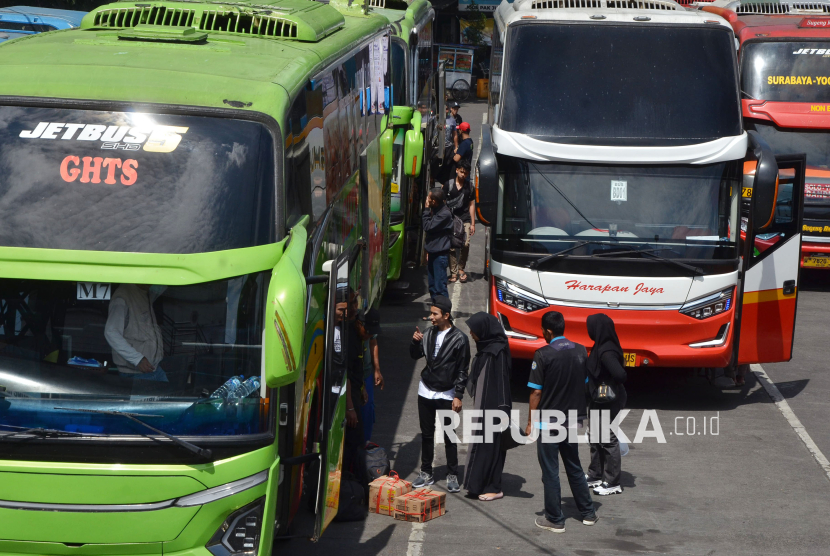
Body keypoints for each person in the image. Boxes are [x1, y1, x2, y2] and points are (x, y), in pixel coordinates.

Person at [527, 311, 597, 532]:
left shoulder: (543, 354)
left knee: (550, 470)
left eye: (542, 331)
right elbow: (584, 383)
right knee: (574, 465)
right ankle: (588, 513)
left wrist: (531, 421)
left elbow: (536, 394)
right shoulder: (579, 351)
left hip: (549, 422)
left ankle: (555, 519)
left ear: (548, 331)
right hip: (572, 420)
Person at [410, 295, 470, 493]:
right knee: (427, 435)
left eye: (435, 314)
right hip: (425, 391)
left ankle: (452, 473)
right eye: (431, 313)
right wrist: (414, 342)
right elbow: (415, 355)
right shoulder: (427, 333)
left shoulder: (460, 339)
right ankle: (426, 472)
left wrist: (458, 395)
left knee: (449, 435)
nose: (431, 317)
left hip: (446, 394)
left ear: (446, 315)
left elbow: (463, 369)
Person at [464, 312, 511, 501]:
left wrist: (503, 409)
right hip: (483, 406)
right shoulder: (486, 348)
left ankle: (494, 487)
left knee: (492, 447)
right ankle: (478, 485)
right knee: (481, 445)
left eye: (474, 330)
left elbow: (502, 380)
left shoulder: (497, 351)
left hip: (494, 407)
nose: (471, 333)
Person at [585, 313, 627, 497]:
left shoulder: (607, 351)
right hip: (598, 399)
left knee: (607, 438)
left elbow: (620, 375)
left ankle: (612, 481)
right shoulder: (601, 346)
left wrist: (604, 380)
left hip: (608, 400)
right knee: (595, 437)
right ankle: (595, 474)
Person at [104, 284, 168, 382]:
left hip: (154, 369)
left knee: (171, 396)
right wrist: (137, 359)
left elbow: (163, 285)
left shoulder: (145, 293)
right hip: (135, 373)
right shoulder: (123, 296)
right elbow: (111, 332)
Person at [443, 159, 476, 283]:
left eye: (466, 173)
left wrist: (473, 223)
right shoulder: (448, 185)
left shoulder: (470, 187)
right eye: (462, 172)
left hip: (465, 218)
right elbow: (443, 203)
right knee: (452, 246)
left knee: (465, 244)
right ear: (457, 170)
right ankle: (453, 272)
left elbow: (471, 204)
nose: (463, 175)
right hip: (451, 219)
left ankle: (461, 268)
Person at [423, 187, 453, 311]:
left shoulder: (444, 214)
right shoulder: (435, 210)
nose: (427, 200)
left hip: (440, 255)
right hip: (433, 252)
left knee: (440, 287)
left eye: (429, 198)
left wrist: (425, 209)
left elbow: (427, 226)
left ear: (434, 201)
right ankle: (436, 312)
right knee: (432, 286)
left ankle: (445, 314)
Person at [362, 307, 384, 442]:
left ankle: (366, 442)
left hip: (367, 372)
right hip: (357, 376)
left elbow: (373, 343)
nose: (370, 335)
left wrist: (377, 370)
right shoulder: (353, 331)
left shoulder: (370, 332)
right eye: (369, 332)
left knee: (368, 409)